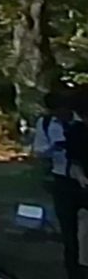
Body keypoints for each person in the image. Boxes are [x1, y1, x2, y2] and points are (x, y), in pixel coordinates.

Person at [33, 87, 82, 279]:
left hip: (84, 179)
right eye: (55, 112)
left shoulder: (81, 122)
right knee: (69, 231)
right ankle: (73, 271)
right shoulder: (45, 123)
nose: (60, 115)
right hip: (62, 179)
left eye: (62, 110)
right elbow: (38, 151)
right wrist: (54, 147)